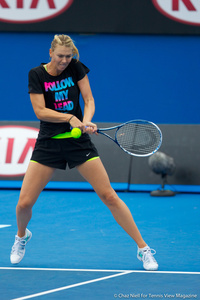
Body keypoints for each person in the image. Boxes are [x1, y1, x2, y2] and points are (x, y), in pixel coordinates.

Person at [10, 34, 158, 271]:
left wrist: (86, 121)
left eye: (68, 56)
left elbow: (88, 99)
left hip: (78, 143)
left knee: (109, 195)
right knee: (23, 204)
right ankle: (21, 236)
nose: (65, 61)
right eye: (60, 56)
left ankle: (143, 249)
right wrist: (70, 117)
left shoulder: (76, 68)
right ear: (50, 53)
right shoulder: (36, 75)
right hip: (49, 142)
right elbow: (40, 111)